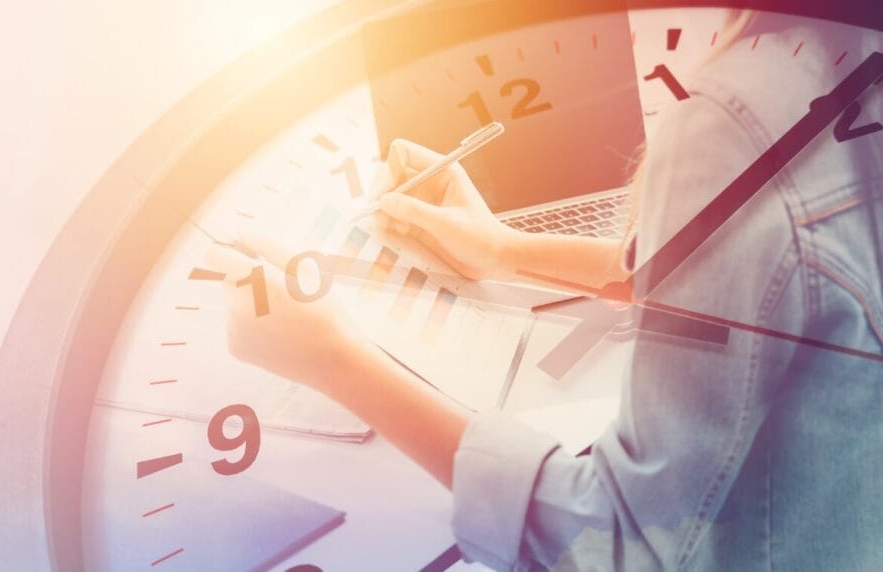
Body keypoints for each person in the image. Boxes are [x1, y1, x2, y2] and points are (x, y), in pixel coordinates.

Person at [207, 10, 883, 571]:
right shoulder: (844, 61)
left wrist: (334, 360)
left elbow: (622, 547)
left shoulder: (739, 115)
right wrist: (502, 248)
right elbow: (790, 273)